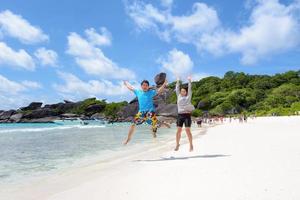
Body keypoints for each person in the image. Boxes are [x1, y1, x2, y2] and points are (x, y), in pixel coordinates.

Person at [123, 79, 168, 145]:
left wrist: (164, 84)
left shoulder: (151, 92)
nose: (145, 86)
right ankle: (128, 139)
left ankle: (155, 135)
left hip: (150, 112)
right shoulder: (138, 92)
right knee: (133, 125)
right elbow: (131, 88)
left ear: (148, 86)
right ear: (141, 86)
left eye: (146, 85)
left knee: (154, 125)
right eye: (143, 85)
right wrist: (126, 83)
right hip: (141, 113)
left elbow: (158, 91)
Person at [174, 76, 195, 152]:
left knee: (187, 130)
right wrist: (178, 81)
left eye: (184, 91)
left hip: (187, 115)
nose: (182, 92)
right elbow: (177, 89)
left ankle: (191, 145)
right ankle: (177, 144)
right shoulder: (178, 96)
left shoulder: (188, 97)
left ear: (186, 92)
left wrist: (189, 81)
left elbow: (190, 89)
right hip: (180, 115)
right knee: (178, 130)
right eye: (181, 91)